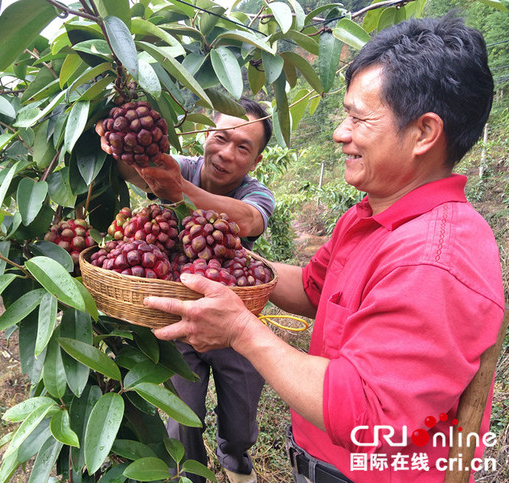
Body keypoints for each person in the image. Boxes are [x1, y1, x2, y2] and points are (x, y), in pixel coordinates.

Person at [144, 15, 505, 482]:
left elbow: (368, 415)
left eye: (358, 117)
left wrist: (242, 332)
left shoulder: (432, 257)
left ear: (424, 133)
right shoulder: (371, 216)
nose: (340, 132)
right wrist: (231, 258)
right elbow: (314, 289)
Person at [98, 97, 276, 483]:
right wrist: (115, 137)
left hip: (237, 321)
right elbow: (135, 168)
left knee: (241, 413)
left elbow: (247, 220)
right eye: (221, 138)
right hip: (179, 317)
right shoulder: (181, 168)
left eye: (242, 147)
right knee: (182, 414)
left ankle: (236, 462)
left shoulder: (256, 193)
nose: (226, 153)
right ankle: (191, 474)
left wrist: (180, 192)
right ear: (206, 134)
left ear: (256, 160)